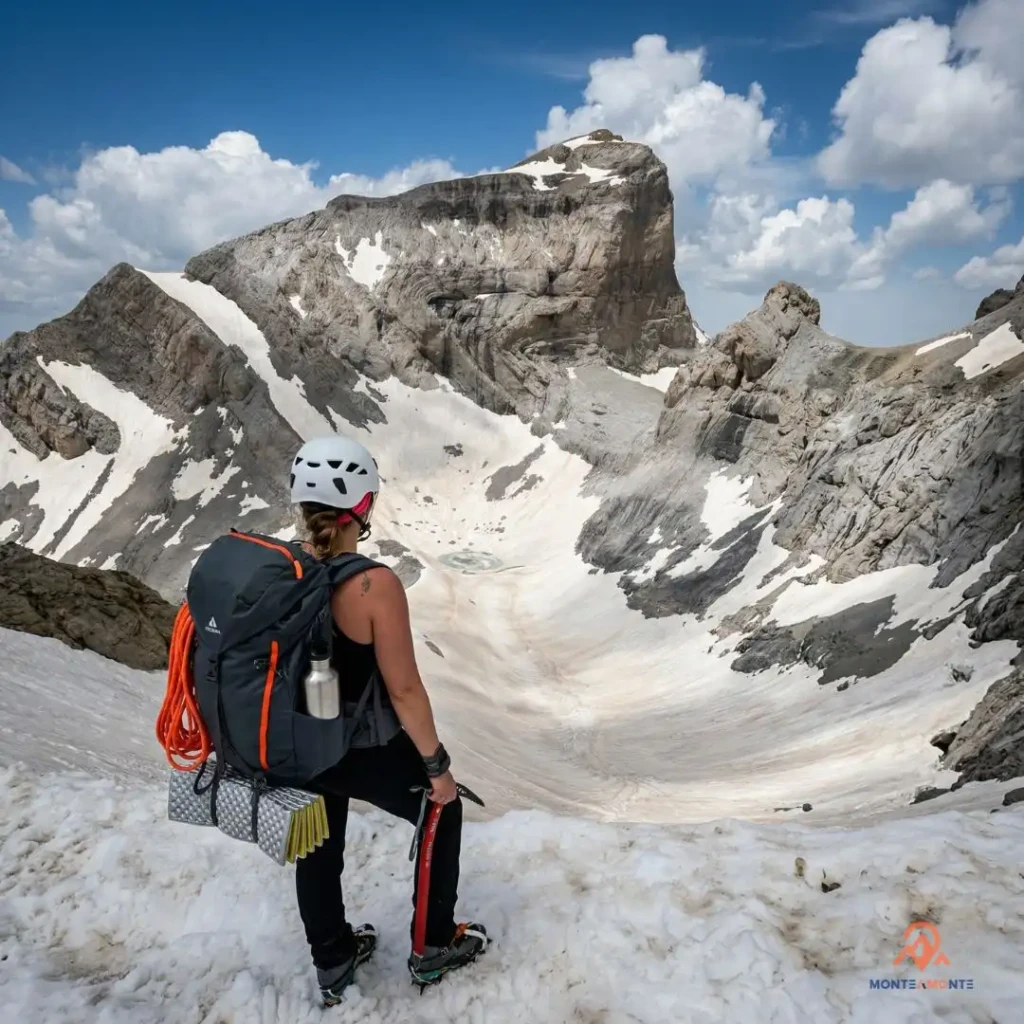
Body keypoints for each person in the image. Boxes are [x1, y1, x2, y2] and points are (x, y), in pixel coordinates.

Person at [288, 434, 487, 1005]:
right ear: (363, 506)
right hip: (358, 746)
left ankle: (333, 961)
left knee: (316, 840)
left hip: (299, 742)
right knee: (440, 812)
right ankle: (431, 948)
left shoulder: (283, 568)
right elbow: (402, 687)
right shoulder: (374, 584)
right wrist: (437, 766)